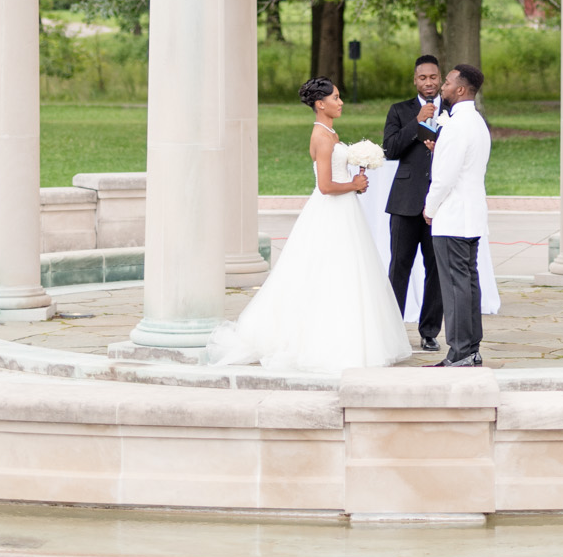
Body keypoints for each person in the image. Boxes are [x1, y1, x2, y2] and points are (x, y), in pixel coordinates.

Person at [205, 77, 411, 374]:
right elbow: (325, 185)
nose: (340, 102)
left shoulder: (330, 132)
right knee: (328, 272)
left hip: (344, 209)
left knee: (347, 272)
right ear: (320, 103)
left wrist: (355, 183)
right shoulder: (322, 137)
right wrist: (352, 183)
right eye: (336, 98)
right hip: (331, 210)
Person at [424, 62, 491, 367]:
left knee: (455, 286)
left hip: (452, 216)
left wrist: (429, 208)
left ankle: (460, 351)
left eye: (448, 82)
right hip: (472, 214)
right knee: (468, 284)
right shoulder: (476, 122)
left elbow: (444, 177)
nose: (443, 86)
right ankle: (471, 348)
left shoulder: (454, 126)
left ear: (461, 89)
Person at [381, 55, 445, 352]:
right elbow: (390, 149)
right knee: (399, 266)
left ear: (440, 78)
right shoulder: (399, 110)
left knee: (436, 269)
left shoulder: (456, 112)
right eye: (423, 78)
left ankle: (429, 331)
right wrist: (416, 122)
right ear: (415, 80)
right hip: (405, 202)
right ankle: (391, 330)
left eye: (433, 77)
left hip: (441, 203)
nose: (429, 83)